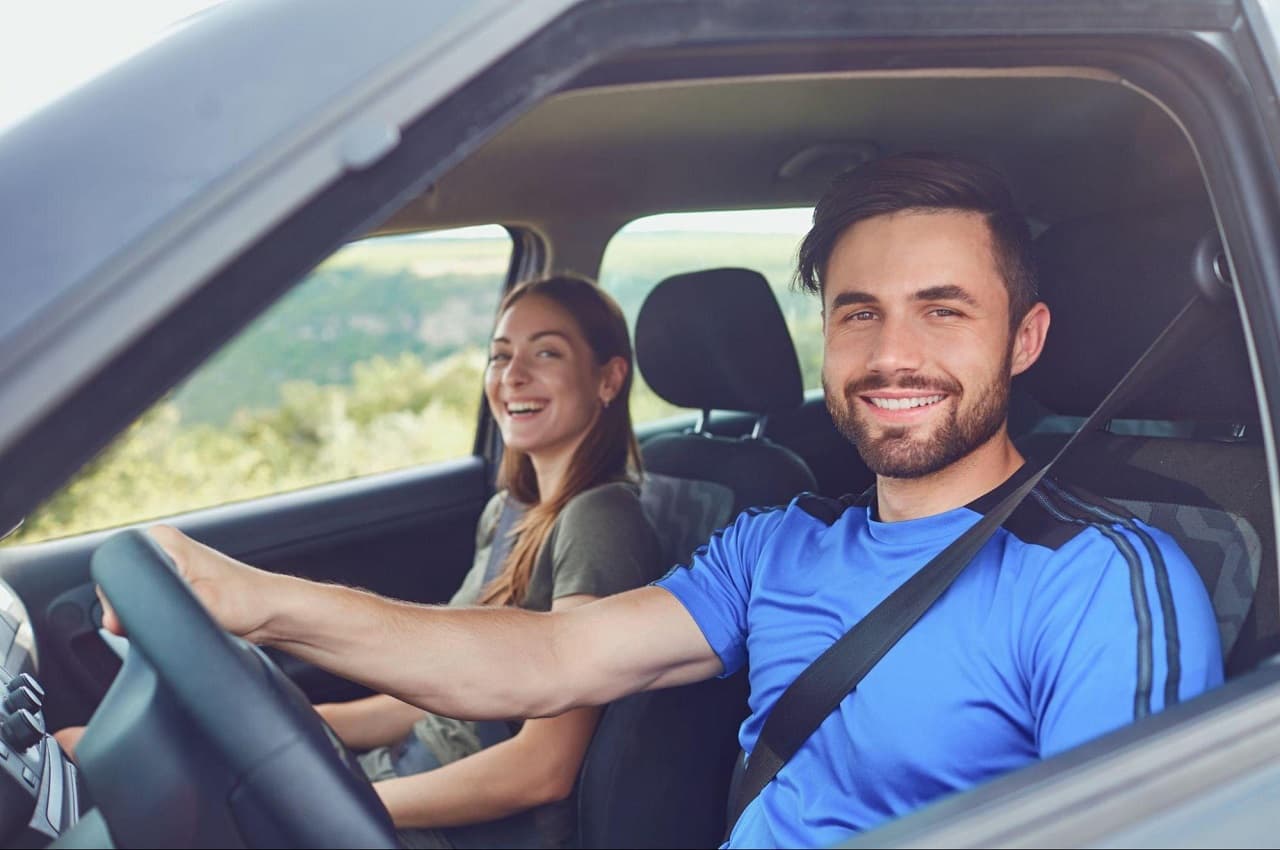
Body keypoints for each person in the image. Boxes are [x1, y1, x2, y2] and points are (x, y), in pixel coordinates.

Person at [110, 152, 1223, 849]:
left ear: (1022, 339)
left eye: (942, 311)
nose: (892, 354)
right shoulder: (777, 545)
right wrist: (252, 600)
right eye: (855, 313)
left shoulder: (1103, 581)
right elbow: (540, 661)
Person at [71, 274, 667, 850]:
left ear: (609, 379)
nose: (513, 375)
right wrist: (307, 724)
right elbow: (435, 687)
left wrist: (361, 800)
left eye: (547, 354)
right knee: (123, 769)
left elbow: (543, 769)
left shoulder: (599, 518)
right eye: (500, 354)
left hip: (466, 828)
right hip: (411, 777)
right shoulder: (511, 510)